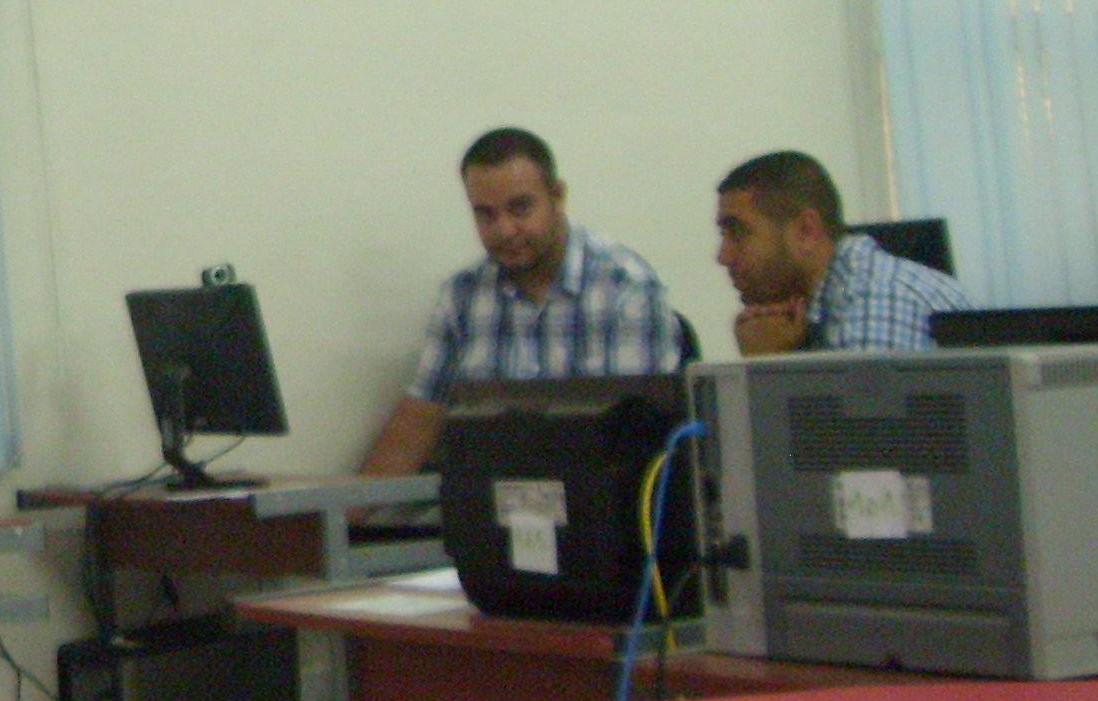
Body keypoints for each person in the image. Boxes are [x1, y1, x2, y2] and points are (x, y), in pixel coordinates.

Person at [358, 128, 681, 475]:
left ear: (557, 196)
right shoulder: (463, 295)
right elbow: (418, 420)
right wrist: (352, 507)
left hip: (596, 493)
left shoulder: (626, 288)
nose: (504, 230)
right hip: (490, 495)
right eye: (485, 214)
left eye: (520, 208)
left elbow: (638, 442)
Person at [715, 149, 971, 352]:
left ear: (806, 231)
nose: (722, 257)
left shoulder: (871, 306)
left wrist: (766, 365)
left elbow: (859, 407)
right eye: (723, 236)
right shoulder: (821, 305)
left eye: (738, 234)